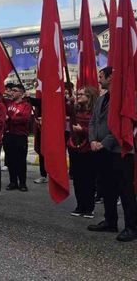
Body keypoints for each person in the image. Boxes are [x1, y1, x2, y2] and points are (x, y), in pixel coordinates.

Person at [87, 67, 137, 242]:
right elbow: (93, 121)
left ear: (111, 77)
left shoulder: (125, 99)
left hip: (120, 151)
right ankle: (110, 221)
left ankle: (131, 226)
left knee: (125, 190)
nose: (99, 80)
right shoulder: (101, 99)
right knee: (107, 188)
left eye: (101, 77)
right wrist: (92, 140)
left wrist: (104, 143)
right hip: (101, 151)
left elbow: (122, 126)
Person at [67, 86, 98, 218]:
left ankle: (89, 207)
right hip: (75, 147)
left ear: (90, 97)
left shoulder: (95, 112)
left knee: (88, 179)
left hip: (88, 149)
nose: (78, 96)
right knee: (77, 179)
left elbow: (97, 131)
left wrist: (83, 131)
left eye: (82, 94)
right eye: (77, 94)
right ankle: (80, 205)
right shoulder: (74, 109)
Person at [3, 83, 32, 192]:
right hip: (8, 134)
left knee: (20, 160)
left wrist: (9, 118)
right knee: (10, 160)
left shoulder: (26, 105)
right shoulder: (8, 103)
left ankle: (23, 183)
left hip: (20, 136)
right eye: (11, 90)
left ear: (21, 93)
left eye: (14, 90)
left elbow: (24, 119)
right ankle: (13, 182)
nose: (12, 92)